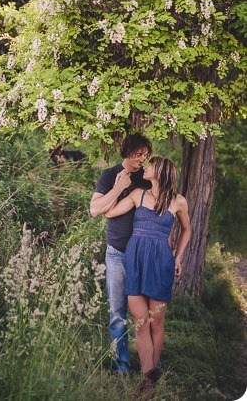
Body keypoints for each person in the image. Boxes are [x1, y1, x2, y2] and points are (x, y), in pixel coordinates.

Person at [105, 155, 191, 398]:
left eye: (150, 165)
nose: (145, 167)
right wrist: (117, 188)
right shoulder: (138, 195)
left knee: (156, 322)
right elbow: (108, 213)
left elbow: (187, 230)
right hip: (135, 259)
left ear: (160, 171)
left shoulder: (178, 201)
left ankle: (149, 380)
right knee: (140, 321)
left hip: (161, 261)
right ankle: (149, 377)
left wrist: (178, 257)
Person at [90, 133, 152, 374]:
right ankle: (121, 365)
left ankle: (150, 363)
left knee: (145, 312)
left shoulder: (148, 177)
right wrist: (119, 187)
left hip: (142, 253)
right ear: (128, 151)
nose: (143, 159)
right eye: (139, 154)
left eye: (146, 154)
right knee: (117, 312)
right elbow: (95, 210)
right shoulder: (109, 175)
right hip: (116, 251)